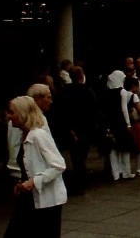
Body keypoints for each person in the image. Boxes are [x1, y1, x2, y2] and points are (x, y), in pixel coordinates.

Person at [4, 96, 67, 238]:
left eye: (12, 112)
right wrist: (23, 183)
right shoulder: (24, 135)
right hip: (30, 197)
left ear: (22, 113)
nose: (8, 116)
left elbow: (59, 165)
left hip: (47, 200)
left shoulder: (38, 136)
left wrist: (33, 181)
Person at [55, 66, 96, 195]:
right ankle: (79, 183)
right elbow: (93, 110)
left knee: (75, 156)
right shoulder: (87, 91)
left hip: (71, 128)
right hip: (85, 128)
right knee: (81, 157)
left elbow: (61, 111)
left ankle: (77, 182)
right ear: (81, 75)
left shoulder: (64, 91)